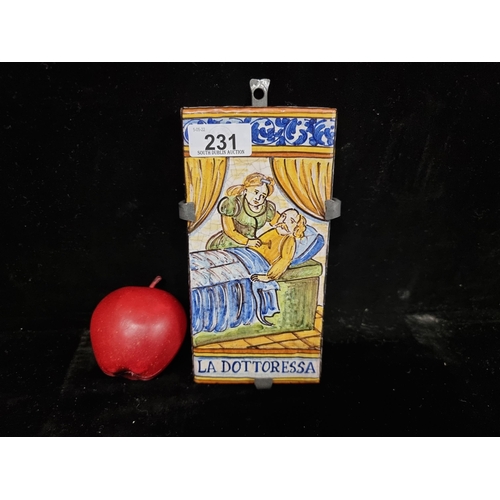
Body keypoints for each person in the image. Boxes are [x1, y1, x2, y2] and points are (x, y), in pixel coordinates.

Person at [206, 173, 280, 250]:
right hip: (227, 245)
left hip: (249, 247)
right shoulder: (233, 204)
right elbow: (229, 231)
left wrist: (281, 226)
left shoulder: (267, 208)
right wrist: (247, 241)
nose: (258, 198)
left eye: (263, 196)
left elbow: (278, 222)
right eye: (255, 192)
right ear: (246, 190)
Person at [250, 208, 307, 282]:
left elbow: (285, 260)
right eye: (283, 216)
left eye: (291, 221)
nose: (284, 221)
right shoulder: (275, 230)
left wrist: (269, 277)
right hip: (248, 253)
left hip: (258, 261)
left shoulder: (289, 240)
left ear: (296, 229)